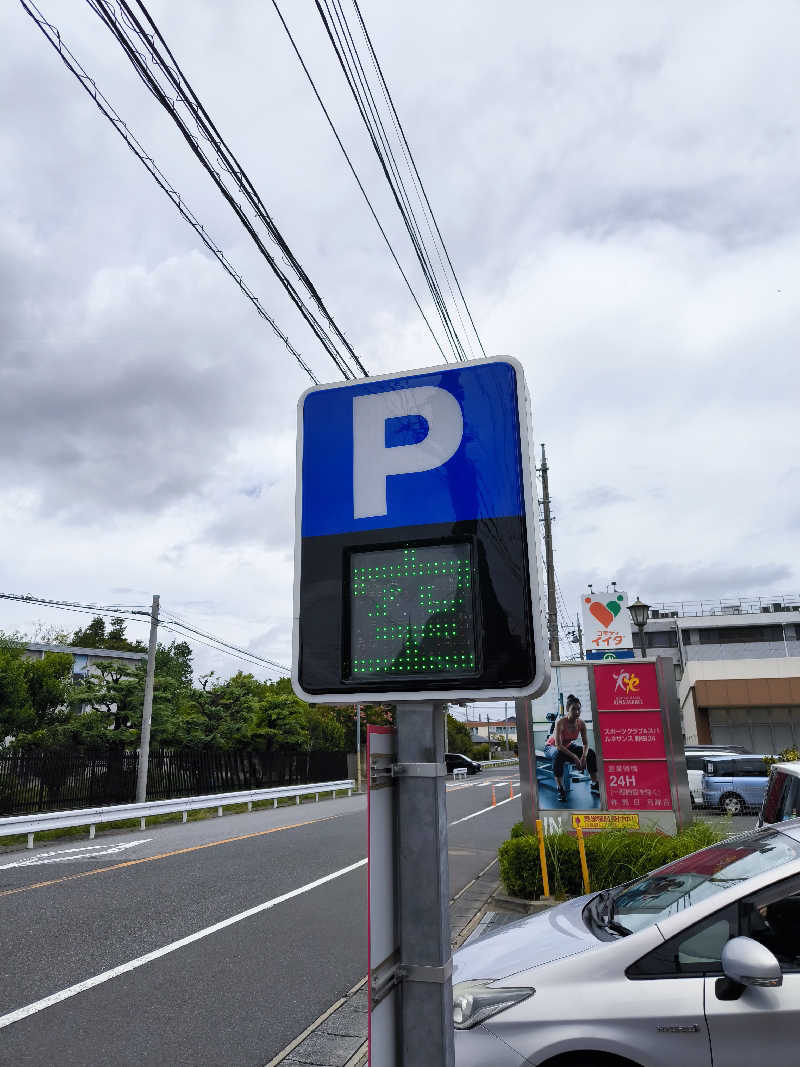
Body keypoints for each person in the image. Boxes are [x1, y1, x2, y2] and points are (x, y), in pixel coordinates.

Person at [545, 695, 600, 802]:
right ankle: (560, 788)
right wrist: (575, 757)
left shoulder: (581, 723)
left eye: (579, 709)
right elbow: (559, 745)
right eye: (573, 709)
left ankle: (594, 784)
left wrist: (583, 757)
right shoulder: (560, 723)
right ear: (567, 709)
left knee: (591, 753)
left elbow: (585, 744)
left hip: (568, 746)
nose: (577, 712)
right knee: (558, 754)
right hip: (551, 747)